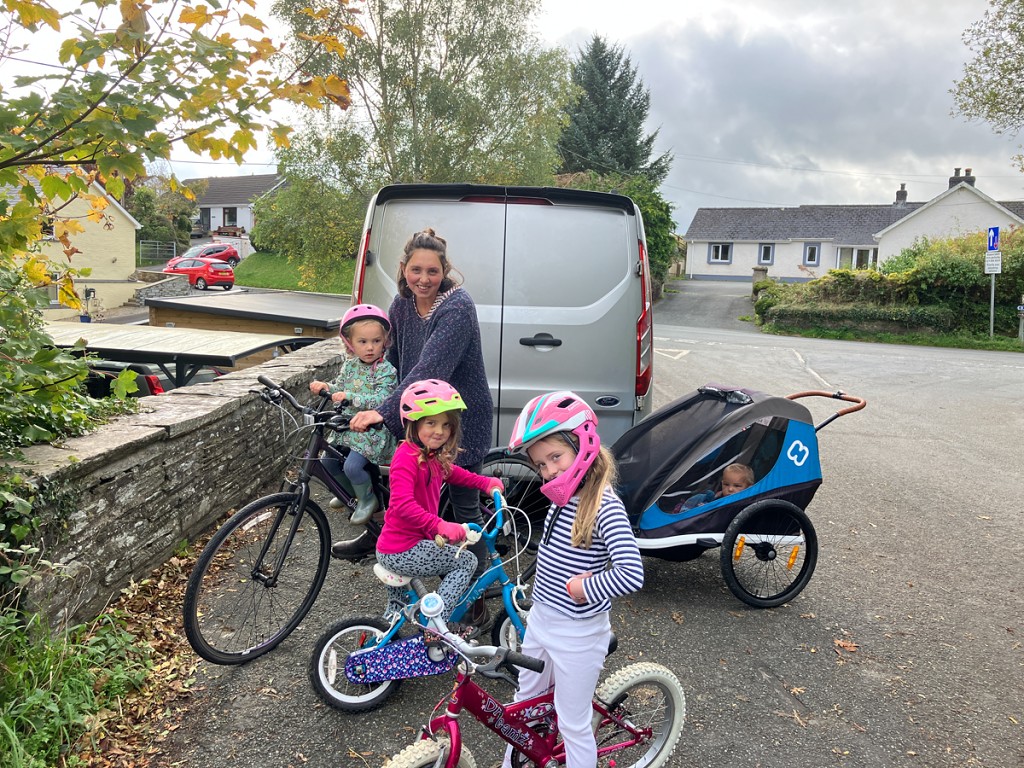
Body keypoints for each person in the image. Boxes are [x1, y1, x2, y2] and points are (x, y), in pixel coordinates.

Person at [333, 229, 494, 589]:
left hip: (458, 419)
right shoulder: (401, 304)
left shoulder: (457, 307)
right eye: (416, 270)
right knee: (401, 490)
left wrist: (385, 412)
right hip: (419, 416)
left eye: (432, 271)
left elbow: (430, 368)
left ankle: (476, 595)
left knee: (465, 508)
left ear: (445, 271)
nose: (423, 279)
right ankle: (382, 538)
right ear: (404, 268)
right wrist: (363, 397)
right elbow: (391, 362)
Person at [502, 391, 644, 768]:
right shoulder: (562, 498)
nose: (548, 471)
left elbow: (632, 573)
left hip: (579, 637)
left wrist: (586, 587)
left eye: (555, 457)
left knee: (572, 722)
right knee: (524, 705)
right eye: (540, 464)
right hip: (542, 622)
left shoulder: (605, 506)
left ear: (583, 445)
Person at [375, 379, 503, 626]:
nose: (439, 431)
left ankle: (380, 638)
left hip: (400, 546)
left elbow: (453, 472)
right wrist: (440, 525)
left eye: (446, 425)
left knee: (397, 612)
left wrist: (484, 483)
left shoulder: (429, 455)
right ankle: (437, 625)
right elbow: (402, 504)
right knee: (466, 562)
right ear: (414, 423)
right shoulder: (406, 457)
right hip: (402, 548)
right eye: (431, 423)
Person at [309, 304, 398, 524]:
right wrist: (326, 387)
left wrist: (350, 397)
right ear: (350, 343)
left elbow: (383, 399)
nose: (370, 348)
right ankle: (350, 492)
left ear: (384, 341)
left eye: (376, 341)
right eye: (363, 342)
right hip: (348, 426)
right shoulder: (350, 367)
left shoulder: (386, 370)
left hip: (372, 431)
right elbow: (339, 388)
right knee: (328, 462)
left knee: (352, 466)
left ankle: (367, 500)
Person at [675, 462, 755, 512]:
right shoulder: (717, 498)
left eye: (737, 486)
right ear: (722, 483)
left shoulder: (747, 507)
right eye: (726, 484)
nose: (730, 489)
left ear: (749, 488)